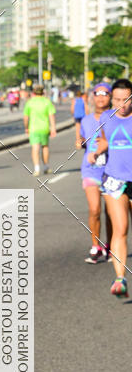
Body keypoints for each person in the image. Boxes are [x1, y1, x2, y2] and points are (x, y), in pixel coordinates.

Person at [88, 78, 132, 297]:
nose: (121, 104)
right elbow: (105, 140)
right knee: (120, 228)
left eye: (126, 100)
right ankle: (120, 278)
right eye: (116, 100)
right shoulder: (106, 117)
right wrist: (96, 151)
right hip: (115, 179)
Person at [77, 82, 112, 263]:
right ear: (92, 97)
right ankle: (96, 246)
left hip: (112, 171)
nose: (100, 97)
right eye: (97, 93)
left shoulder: (116, 118)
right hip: (90, 170)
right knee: (95, 209)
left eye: (105, 93)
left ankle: (110, 245)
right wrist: (82, 142)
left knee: (111, 213)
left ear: (110, 97)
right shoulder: (86, 120)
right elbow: (83, 140)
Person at [23, 84, 56, 175]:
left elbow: (26, 117)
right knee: (45, 147)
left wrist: (26, 128)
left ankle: (36, 168)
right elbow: (51, 116)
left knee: (35, 148)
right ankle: (46, 167)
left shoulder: (30, 102)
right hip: (44, 128)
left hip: (33, 128)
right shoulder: (47, 102)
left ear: (33, 92)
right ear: (43, 92)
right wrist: (53, 128)